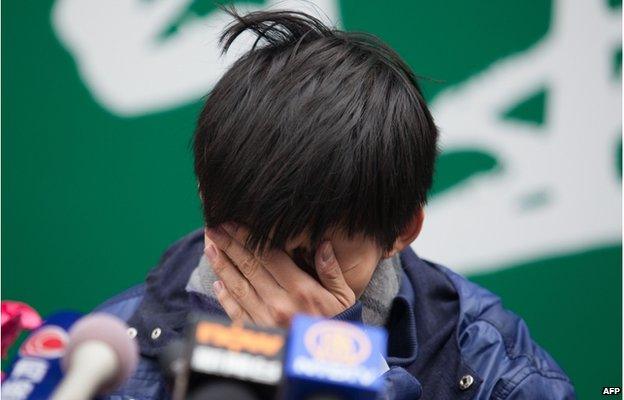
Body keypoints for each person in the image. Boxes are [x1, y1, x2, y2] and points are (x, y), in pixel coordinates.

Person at [95, 9, 575, 399]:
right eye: (252, 247)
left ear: (401, 231)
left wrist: (339, 366)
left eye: (311, 259)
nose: (282, 295)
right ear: (207, 202)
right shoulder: (106, 353)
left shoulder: (495, 365)